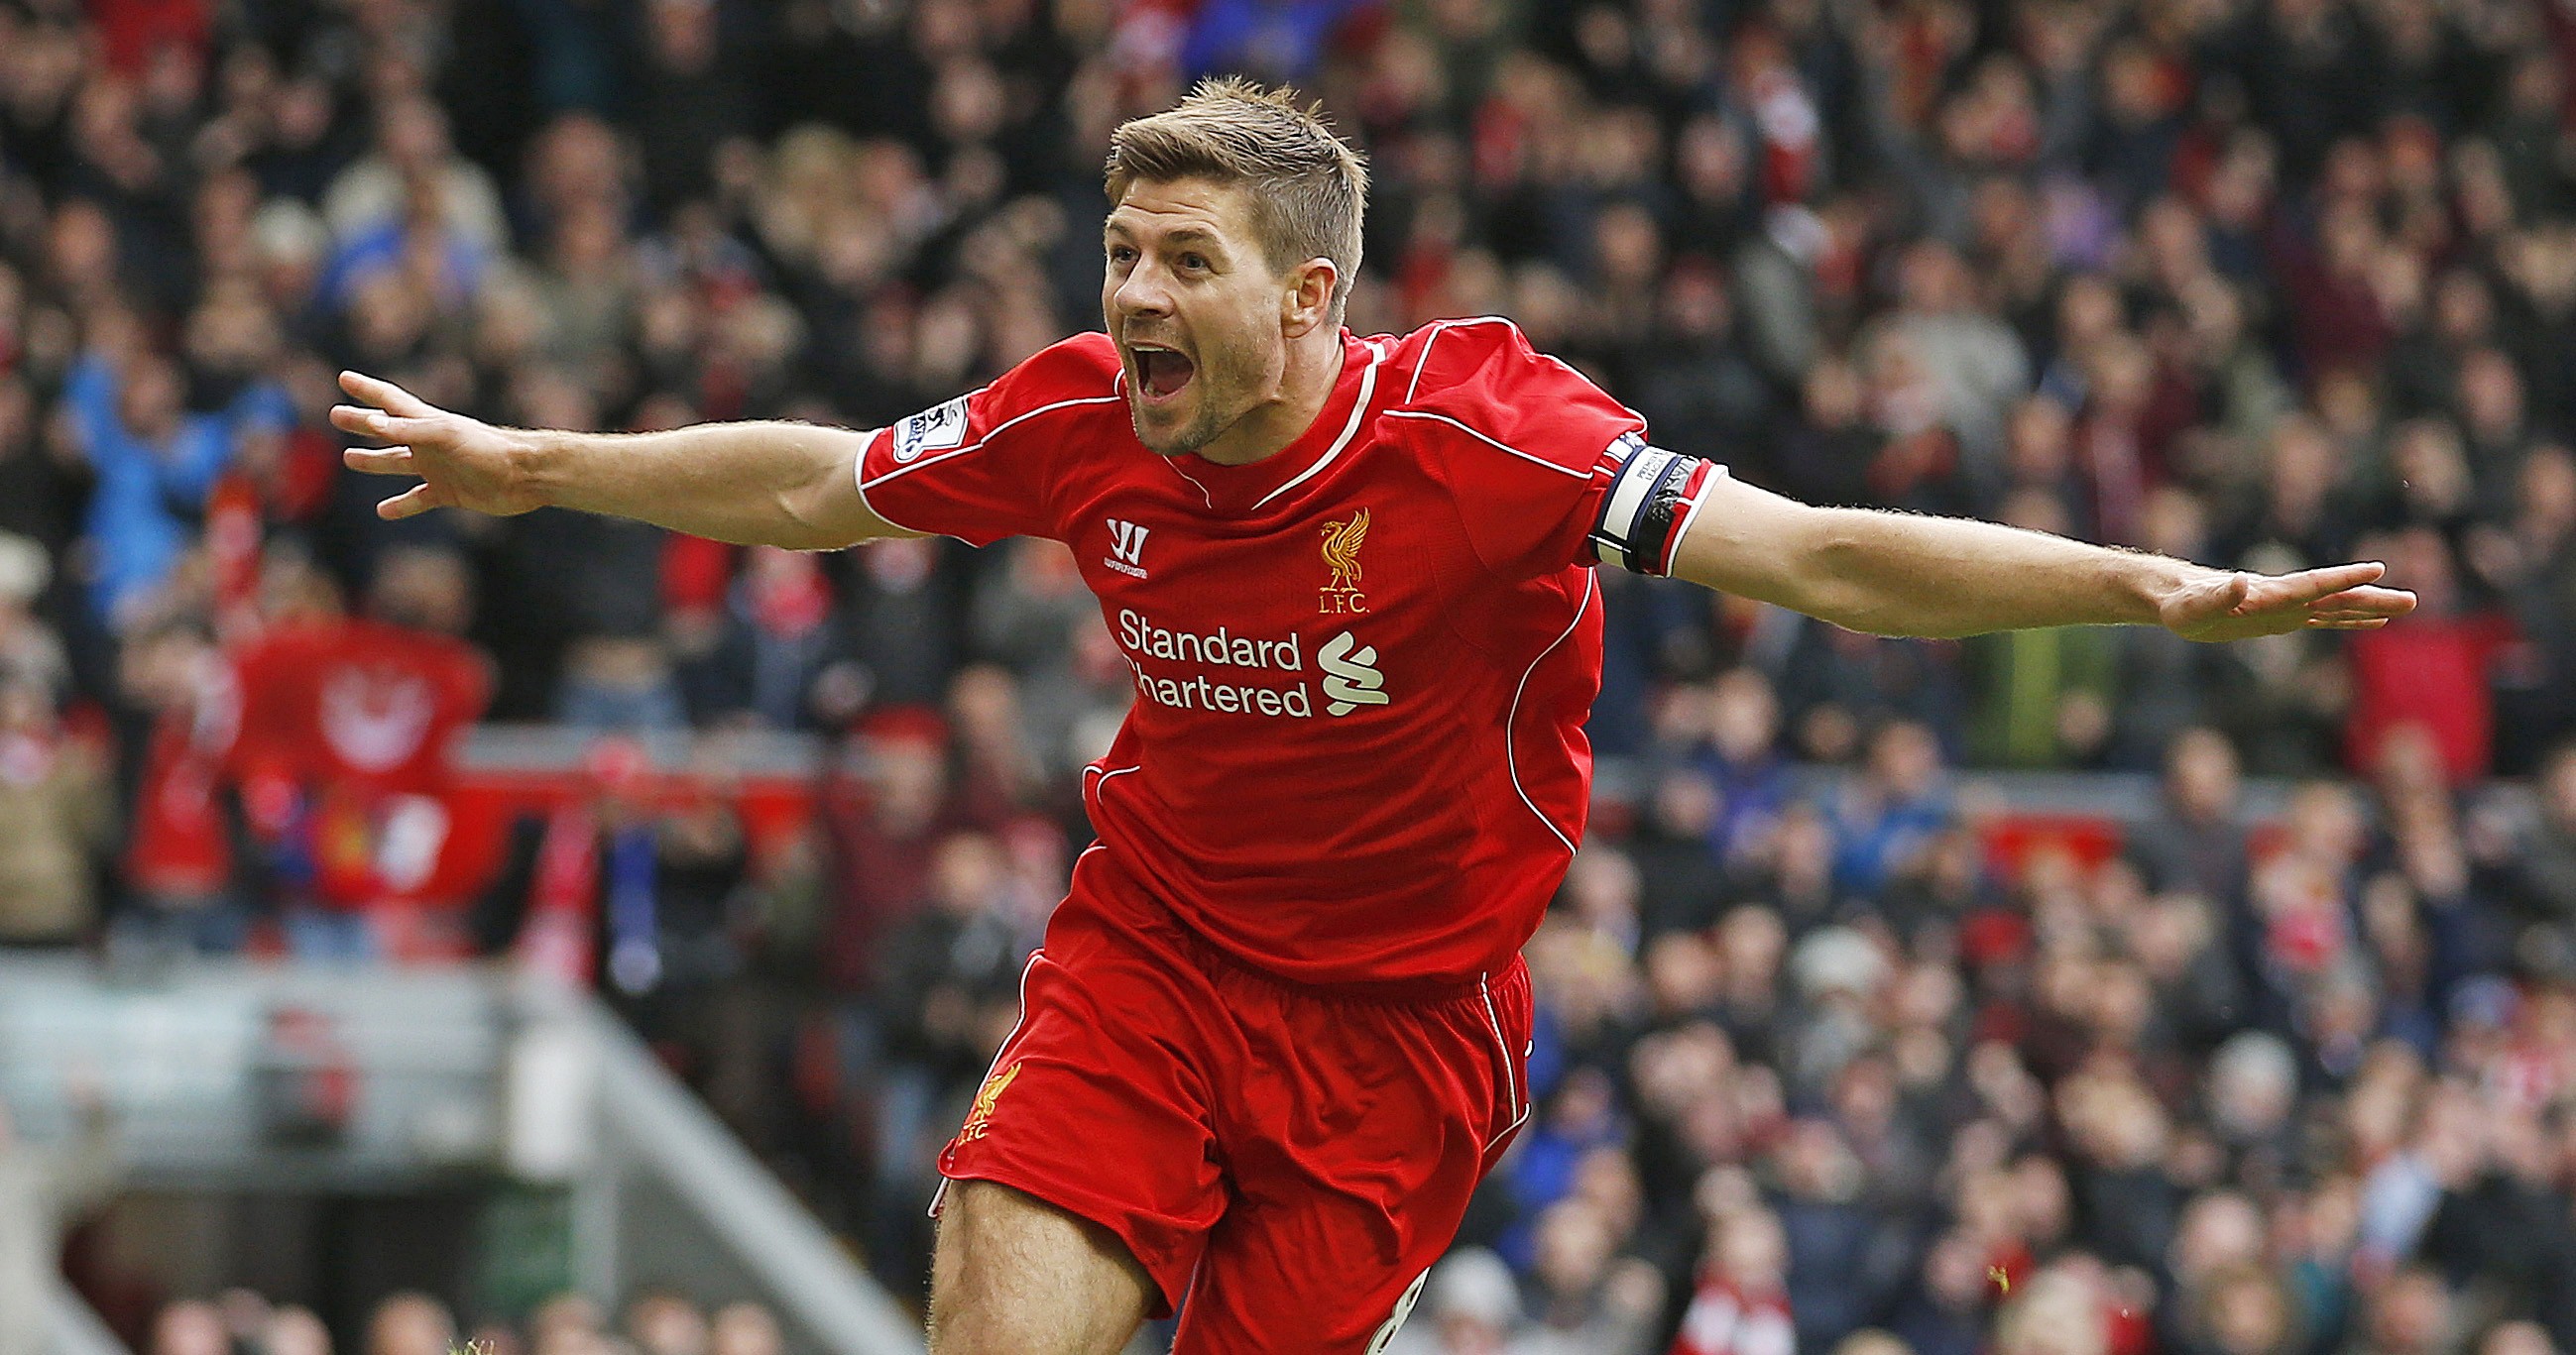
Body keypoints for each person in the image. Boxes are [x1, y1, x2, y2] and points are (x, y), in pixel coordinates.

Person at [329, 77, 2415, 1355]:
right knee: (996, 1296)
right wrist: (543, 465)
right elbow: (820, 484)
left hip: (1403, 1031)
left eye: (1186, 263)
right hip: (1152, 957)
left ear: (1310, 297)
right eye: (1123, 252)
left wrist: (2144, 584)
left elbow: (1822, 556)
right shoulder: (1079, 415)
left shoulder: (1494, 438)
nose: (1135, 297)